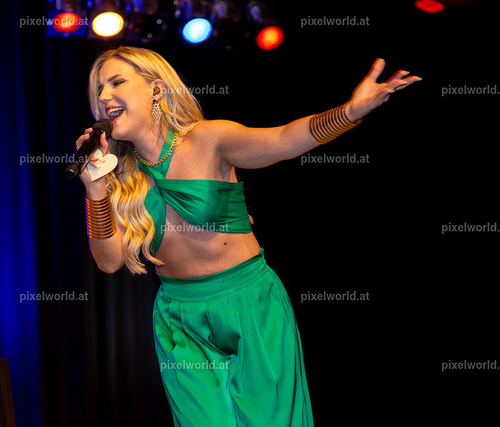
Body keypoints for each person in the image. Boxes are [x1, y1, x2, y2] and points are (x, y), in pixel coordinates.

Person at [75, 46, 420, 426]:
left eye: (117, 82)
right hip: (179, 319)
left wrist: (349, 112)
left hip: (249, 302)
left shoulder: (209, 139)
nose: (105, 96)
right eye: (99, 90)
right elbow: (109, 262)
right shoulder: (122, 176)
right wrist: (95, 189)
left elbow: (284, 141)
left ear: (157, 89)